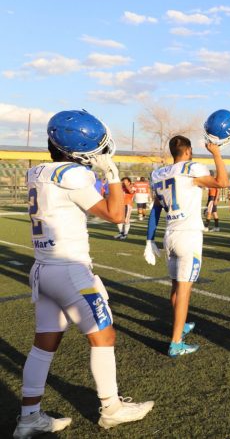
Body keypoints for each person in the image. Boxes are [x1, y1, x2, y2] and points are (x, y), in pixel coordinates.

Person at [15, 110, 153, 438]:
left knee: (44, 345)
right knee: (104, 336)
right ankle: (112, 409)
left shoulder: (37, 172)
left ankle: (29, 417)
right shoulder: (74, 175)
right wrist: (113, 174)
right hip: (70, 270)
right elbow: (116, 214)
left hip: (43, 270)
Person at [144, 135, 229, 357]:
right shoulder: (192, 169)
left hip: (170, 234)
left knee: (175, 286)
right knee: (184, 290)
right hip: (188, 236)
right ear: (188, 151)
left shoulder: (159, 174)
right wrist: (217, 153)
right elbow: (222, 182)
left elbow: (156, 209)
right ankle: (176, 342)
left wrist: (149, 239)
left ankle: (179, 327)